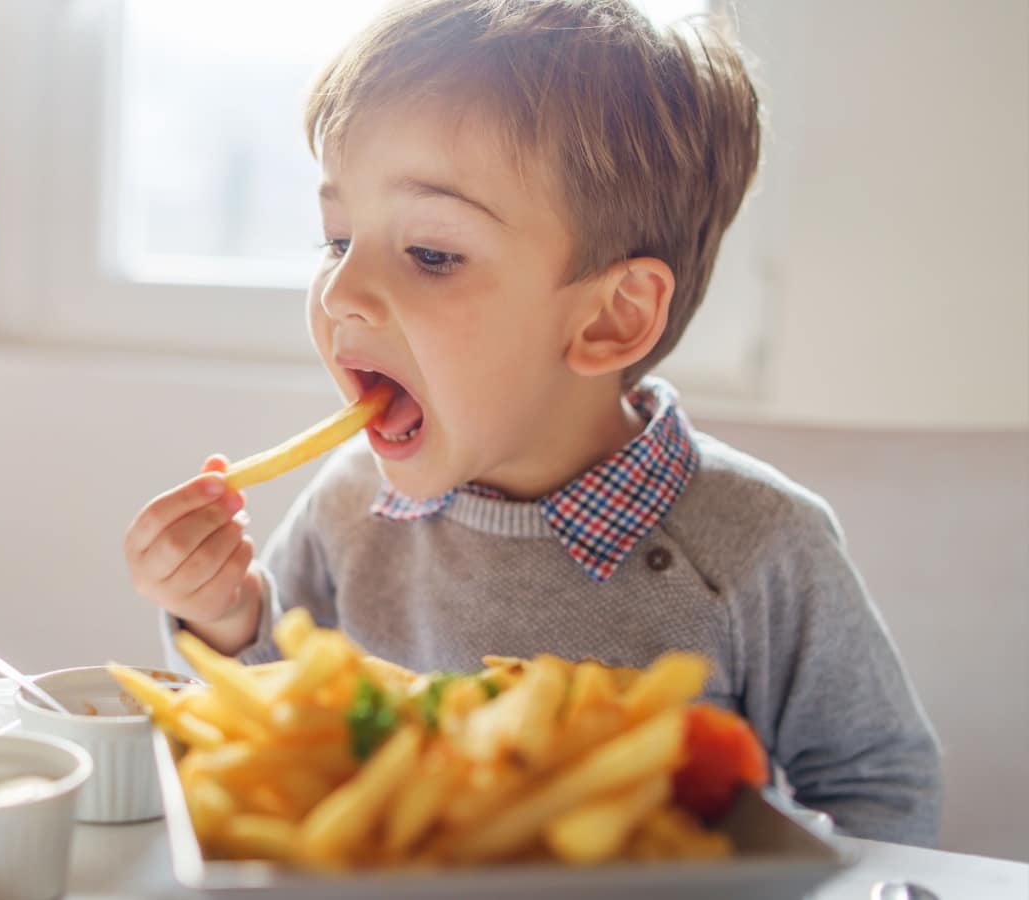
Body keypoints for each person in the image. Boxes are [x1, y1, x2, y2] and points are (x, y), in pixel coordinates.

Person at [122, 0, 940, 845]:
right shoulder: (346, 503)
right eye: (335, 240)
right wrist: (226, 613)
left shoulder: (762, 545)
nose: (340, 293)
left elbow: (878, 785)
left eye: (433, 253)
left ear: (609, 320)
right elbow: (286, 716)